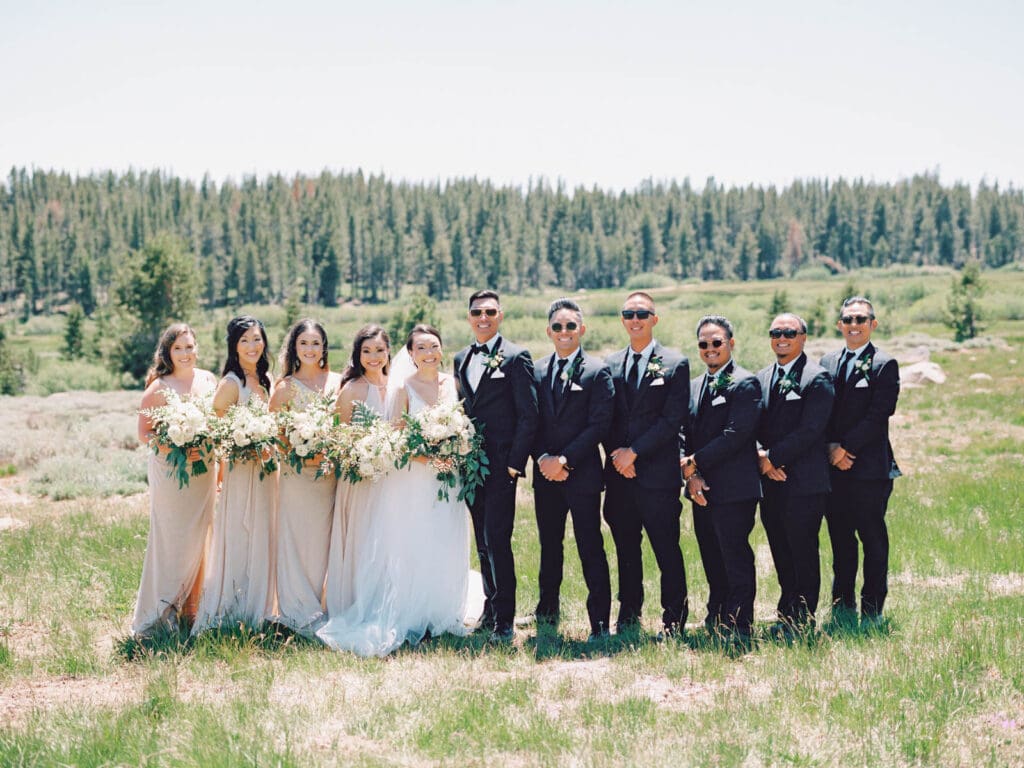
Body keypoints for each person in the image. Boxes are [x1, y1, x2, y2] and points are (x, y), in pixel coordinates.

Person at [318, 325, 474, 656]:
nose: (429, 352)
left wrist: (454, 451)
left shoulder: (453, 384)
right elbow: (400, 436)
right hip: (415, 477)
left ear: (442, 348)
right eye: (421, 348)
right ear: (410, 354)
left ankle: (441, 609)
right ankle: (413, 609)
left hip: (448, 477)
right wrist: (433, 460)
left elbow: (463, 427)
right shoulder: (403, 387)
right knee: (413, 540)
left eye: (434, 345)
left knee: (444, 538)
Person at [602, 291, 690, 637]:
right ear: (622, 320)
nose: (635, 319)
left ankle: (674, 616)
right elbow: (604, 418)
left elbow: (672, 420)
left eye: (642, 313)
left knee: (666, 548)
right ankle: (629, 612)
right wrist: (619, 456)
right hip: (620, 476)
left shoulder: (675, 363)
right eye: (629, 314)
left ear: (655, 319)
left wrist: (634, 452)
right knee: (625, 548)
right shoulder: (609, 364)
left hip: (656, 474)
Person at [453, 290, 538, 643]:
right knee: (483, 543)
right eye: (477, 312)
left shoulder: (516, 357)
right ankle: (490, 609)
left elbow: (529, 416)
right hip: (472, 467)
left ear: (500, 315)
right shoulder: (460, 358)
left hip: (503, 467)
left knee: (498, 540)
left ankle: (505, 620)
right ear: (469, 316)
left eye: (490, 311)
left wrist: (514, 466)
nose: (483, 317)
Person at [531, 298, 614, 641]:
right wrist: (543, 459)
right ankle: (546, 614)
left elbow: (599, 424)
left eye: (570, 326)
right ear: (548, 331)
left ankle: (599, 621)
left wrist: (564, 461)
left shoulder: (597, 371)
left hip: (581, 474)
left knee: (589, 544)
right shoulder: (535, 371)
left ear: (581, 329)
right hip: (544, 474)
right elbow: (529, 422)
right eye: (557, 326)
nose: (563, 332)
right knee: (549, 546)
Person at [193, 316, 278, 632]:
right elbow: (215, 429)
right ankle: (230, 609)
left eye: (257, 339)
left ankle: (259, 607)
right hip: (241, 470)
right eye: (245, 340)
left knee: (263, 532)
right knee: (239, 533)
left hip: (267, 471)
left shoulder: (267, 378)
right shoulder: (230, 383)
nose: (252, 346)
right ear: (234, 345)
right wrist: (241, 444)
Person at [132, 323, 217, 636]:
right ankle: (161, 609)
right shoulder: (158, 387)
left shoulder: (208, 380)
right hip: (171, 474)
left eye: (190, 347)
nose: (185, 353)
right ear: (168, 352)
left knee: (201, 535)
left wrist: (209, 456)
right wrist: (177, 446)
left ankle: (193, 610)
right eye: (178, 348)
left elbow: (216, 424)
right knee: (173, 538)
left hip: (204, 471)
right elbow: (144, 434)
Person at [820, 297, 900, 627]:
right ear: (839, 325)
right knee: (839, 537)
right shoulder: (826, 361)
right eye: (848, 320)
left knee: (872, 537)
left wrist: (845, 449)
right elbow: (820, 410)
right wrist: (830, 449)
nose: (854, 325)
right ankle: (842, 603)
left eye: (861, 319)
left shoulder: (884, 363)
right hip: (832, 468)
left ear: (873, 324)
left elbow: (879, 414)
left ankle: (873, 608)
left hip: (869, 468)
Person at [680, 315, 762, 640]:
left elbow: (736, 433)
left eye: (717, 342)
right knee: (711, 557)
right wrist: (692, 473)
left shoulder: (745, 383)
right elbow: (683, 432)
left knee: (735, 557)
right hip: (701, 488)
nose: (710, 349)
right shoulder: (693, 386)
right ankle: (716, 617)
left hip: (735, 488)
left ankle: (740, 625)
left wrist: (694, 460)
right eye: (704, 344)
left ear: (731, 343)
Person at [756, 313, 834, 633]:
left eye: (789, 332)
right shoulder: (760, 378)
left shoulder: (817, 378)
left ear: (804, 337)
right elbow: (752, 423)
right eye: (776, 332)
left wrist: (773, 458)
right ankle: (786, 612)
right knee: (780, 548)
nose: (782, 337)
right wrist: (761, 458)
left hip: (803, 482)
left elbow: (811, 430)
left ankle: (803, 618)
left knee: (802, 549)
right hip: (769, 481)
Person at [269, 319, 341, 634]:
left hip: (331, 473)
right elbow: (276, 434)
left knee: (327, 540)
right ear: (294, 348)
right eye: (304, 343)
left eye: (315, 343)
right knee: (298, 538)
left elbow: (346, 425)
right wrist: (300, 453)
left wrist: (330, 451)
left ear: (324, 347)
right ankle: (297, 607)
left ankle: (327, 602)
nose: (310, 349)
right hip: (297, 476)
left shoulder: (338, 382)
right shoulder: (285, 388)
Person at [320, 324, 391, 625]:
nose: (373, 356)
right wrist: (362, 453)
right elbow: (336, 438)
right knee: (362, 541)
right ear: (357, 354)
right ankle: (358, 602)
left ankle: (387, 600)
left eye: (379, 350)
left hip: (393, 480)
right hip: (360, 478)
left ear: (389, 351)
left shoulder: (398, 385)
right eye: (367, 351)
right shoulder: (351, 389)